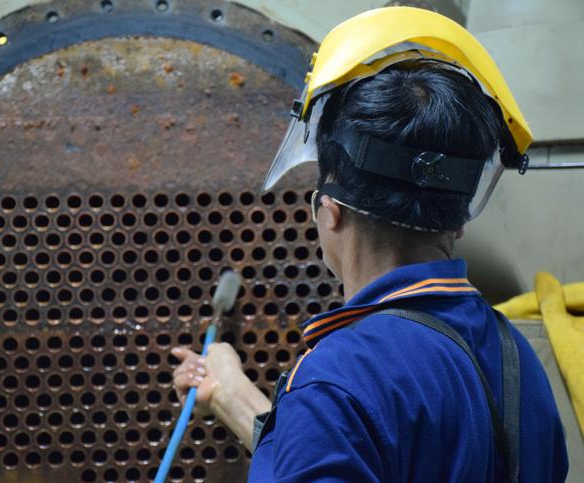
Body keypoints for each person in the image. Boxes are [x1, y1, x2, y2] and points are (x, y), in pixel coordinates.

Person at [172, 7, 568, 482]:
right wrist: (231, 394)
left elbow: (345, 431)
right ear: (458, 224)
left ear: (329, 214)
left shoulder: (335, 382)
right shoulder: (519, 365)